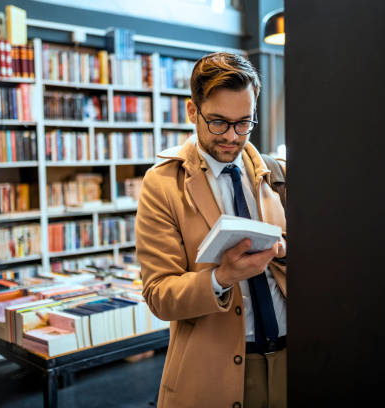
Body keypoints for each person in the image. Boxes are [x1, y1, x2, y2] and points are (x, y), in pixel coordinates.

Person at [135, 52, 287, 408]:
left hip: (287, 358)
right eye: (218, 122)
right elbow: (159, 294)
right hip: (215, 369)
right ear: (192, 112)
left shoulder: (277, 173)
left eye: (243, 123)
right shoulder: (163, 184)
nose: (232, 137)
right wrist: (222, 277)